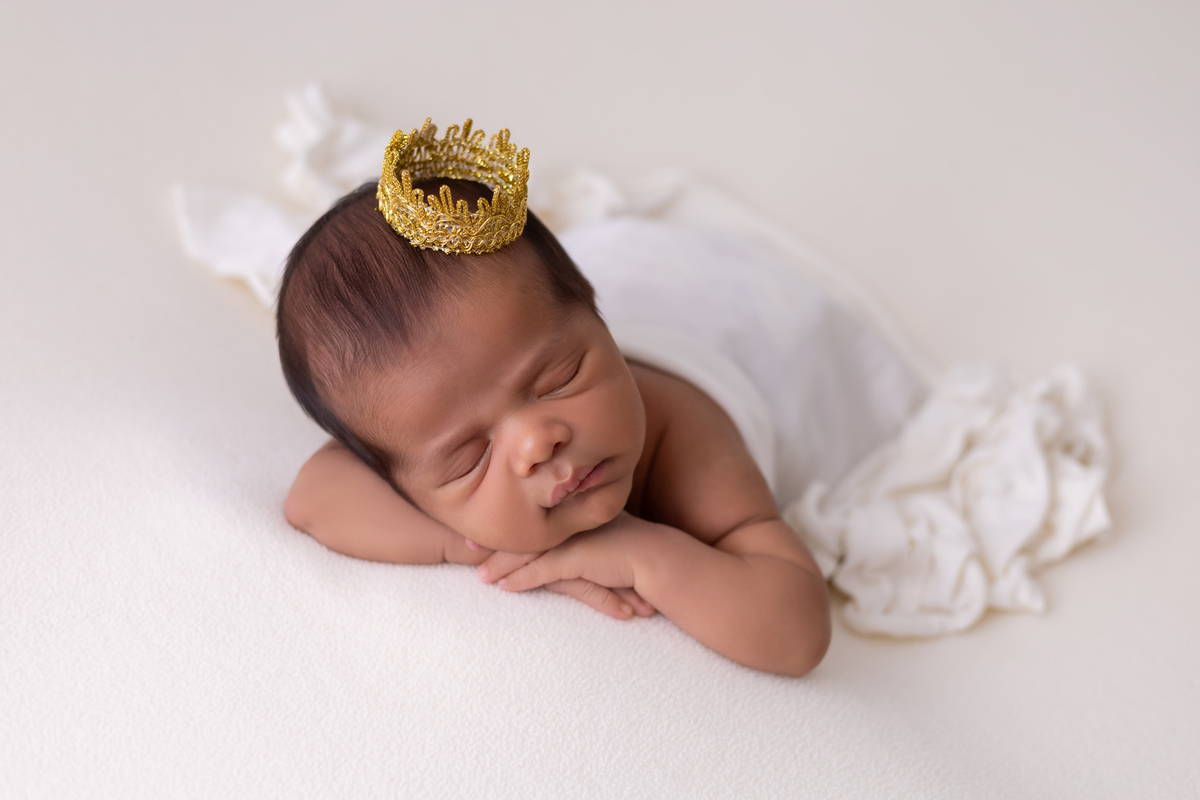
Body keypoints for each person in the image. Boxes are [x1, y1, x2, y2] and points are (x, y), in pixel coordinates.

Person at [278, 121, 830, 676]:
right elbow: (312, 497)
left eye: (557, 379)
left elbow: (796, 631)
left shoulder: (685, 435)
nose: (536, 444)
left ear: (600, 318)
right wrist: (470, 540)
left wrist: (642, 554)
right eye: (469, 458)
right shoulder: (423, 432)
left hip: (735, 329)